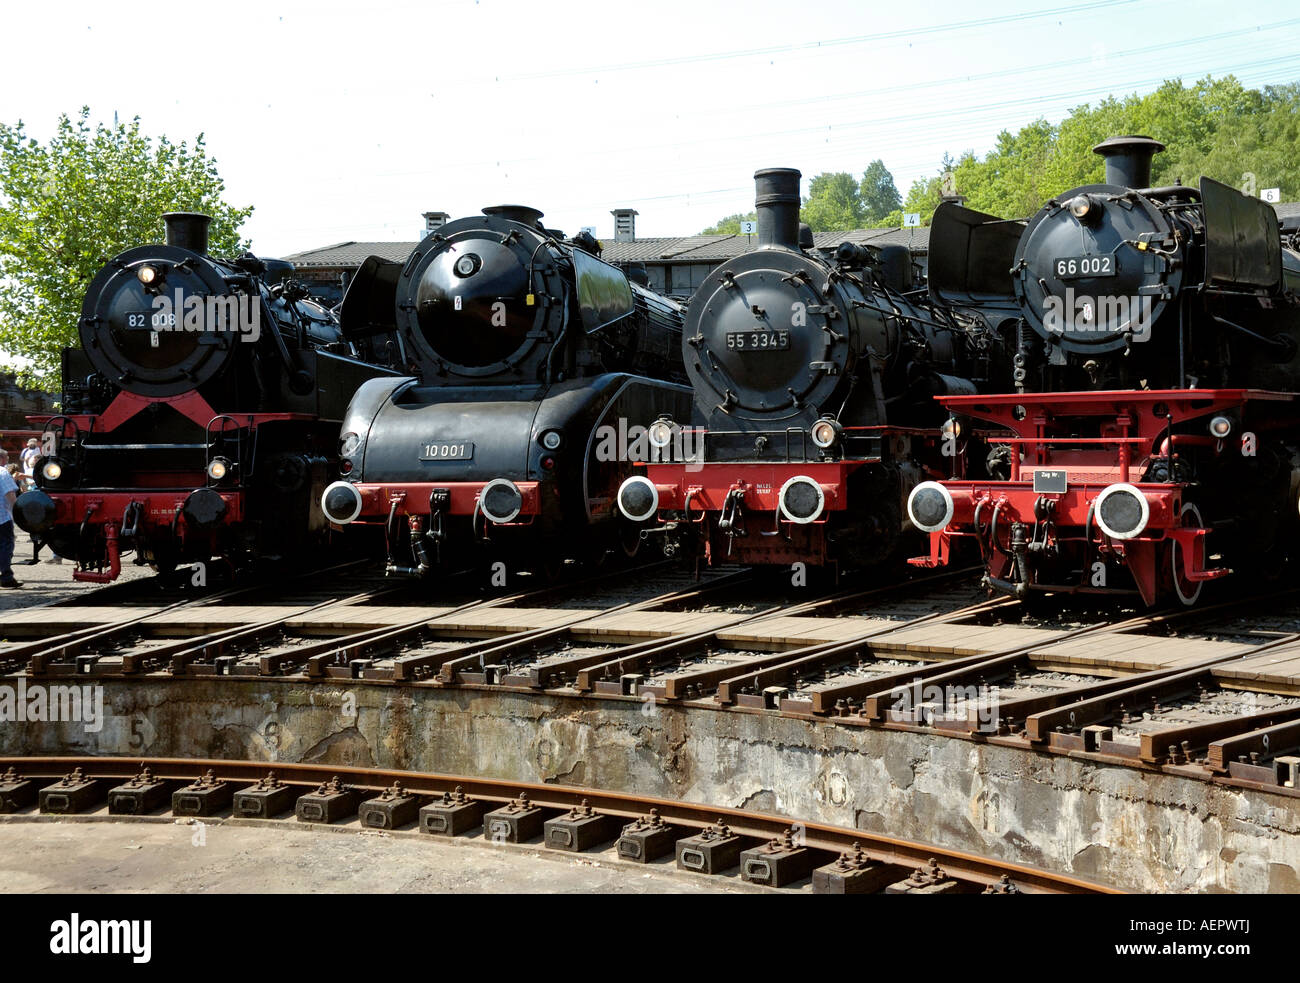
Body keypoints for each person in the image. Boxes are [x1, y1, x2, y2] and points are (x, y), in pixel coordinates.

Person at [0, 451, 22, 588]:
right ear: (2, 458)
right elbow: (10, 495)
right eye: (7, 458)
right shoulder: (3, 473)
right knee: (5, 546)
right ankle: (6, 577)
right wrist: (19, 513)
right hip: (2, 517)